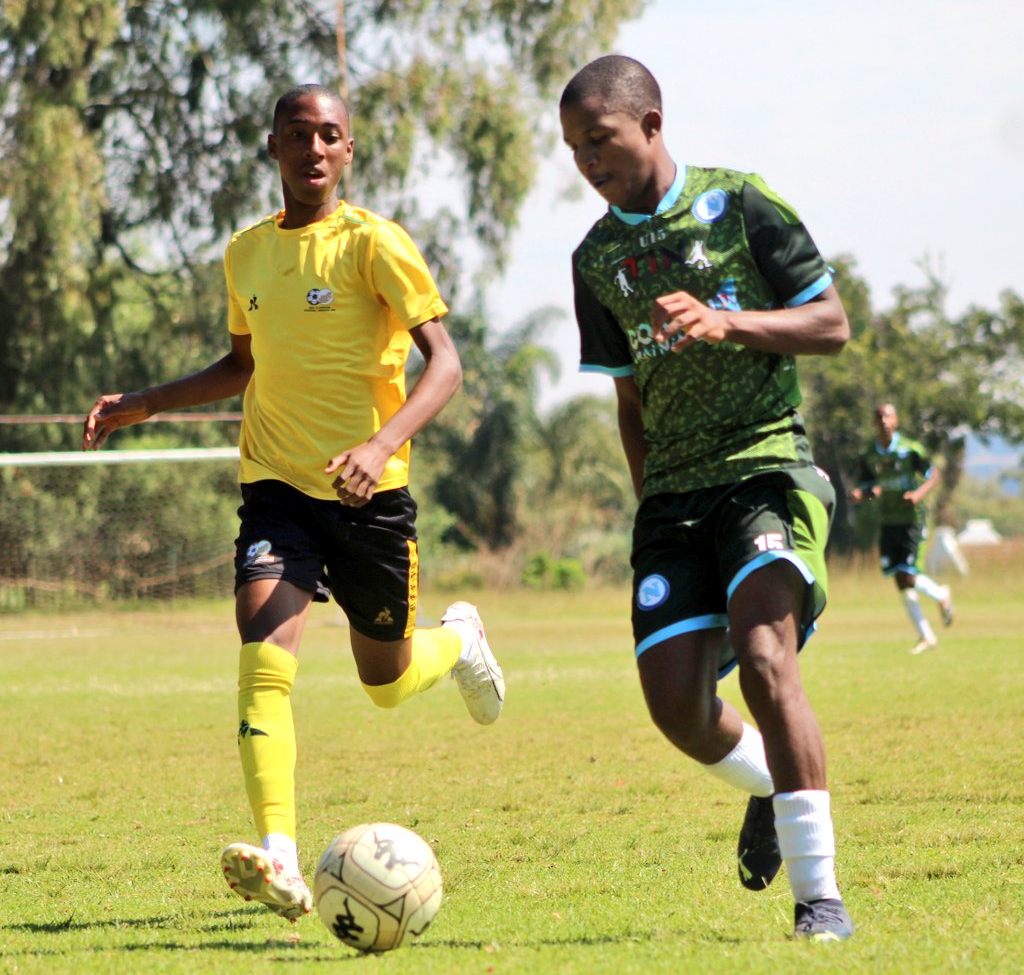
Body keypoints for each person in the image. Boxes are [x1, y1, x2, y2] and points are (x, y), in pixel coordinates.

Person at [82, 84, 505, 922]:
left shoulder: (375, 245)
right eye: (299, 134)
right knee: (261, 655)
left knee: (383, 681)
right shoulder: (245, 255)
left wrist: (381, 445)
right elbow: (242, 365)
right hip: (276, 487)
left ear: (349, 152)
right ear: (271, 145)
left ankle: (457, 643)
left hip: (371, 498)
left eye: (331, 136)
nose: (314, 148)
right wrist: (145, 402)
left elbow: (447, 365)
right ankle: (279, 853)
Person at [560, 55, 854, 941]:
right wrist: (652, 503)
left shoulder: (741, 203)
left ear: (652, 122)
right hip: (674, 502)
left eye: (600, 139)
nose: (587, 161)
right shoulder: (596, 259)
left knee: (768, 661)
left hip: (765, 468)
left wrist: (729, 319)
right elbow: (627, 399)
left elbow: (830, 323)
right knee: (675, 708)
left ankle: (820, 899)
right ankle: (772, 783)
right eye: (574, 148)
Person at [850, 402, 954, 654]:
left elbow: (934, 475)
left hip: (912, 521)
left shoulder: (910, 450)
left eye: (888, 417)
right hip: (888, 522)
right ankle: (926, 636)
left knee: (907, 573)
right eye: (879, 418)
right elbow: (870, 488)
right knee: (900, 580)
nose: (884, 421)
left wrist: (918, 494)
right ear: (874, 424)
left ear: (896, 421)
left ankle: (940, 594)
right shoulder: (870, 456)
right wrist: (863, 495)